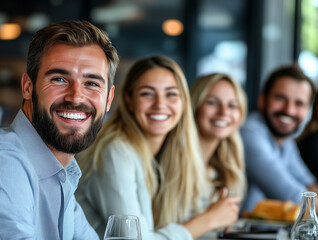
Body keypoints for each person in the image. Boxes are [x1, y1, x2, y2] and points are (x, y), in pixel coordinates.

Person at [76, 56, 240, 240]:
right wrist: (208, 220)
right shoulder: (115, 151)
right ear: (129, 100)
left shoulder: (162, 153)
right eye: (147, 93)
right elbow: (135, 238)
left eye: (171, 94)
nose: (160, 104)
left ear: (183, 101)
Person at [0, 20, 118, 239]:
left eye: (91, 83)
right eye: (59, 79)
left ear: (109, 98)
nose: (76, 97)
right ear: (28, 87)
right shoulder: (6, 161)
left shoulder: (60, 172)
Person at [240, 64, 318, 213]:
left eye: (299, 103)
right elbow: (294, 197)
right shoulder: (250, 132)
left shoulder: (286, 141)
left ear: (308, 111)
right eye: (280, 98)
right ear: (262, 100)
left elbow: (309, 185)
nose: (289, 110)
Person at [190, 73, 247, 206]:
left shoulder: (228, 165)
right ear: (195, 107)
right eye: (212, 103)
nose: (224, 112)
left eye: (232, 105)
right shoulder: (175, 162)